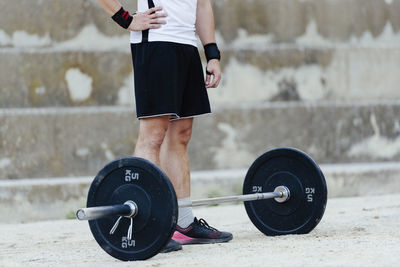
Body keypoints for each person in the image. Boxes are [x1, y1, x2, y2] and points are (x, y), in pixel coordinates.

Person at [97, 0, 233, 252]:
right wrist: (126, 19)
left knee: (181, 136)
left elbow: (202, 5)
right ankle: (148, 225)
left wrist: (212, 53)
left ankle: (183, 224)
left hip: (187, 46)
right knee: (153, 136)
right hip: (156, 44)